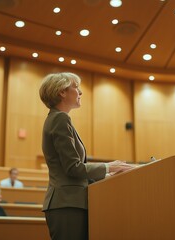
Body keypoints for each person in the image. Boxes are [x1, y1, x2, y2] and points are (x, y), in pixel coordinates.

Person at [39, 72, 134, 240]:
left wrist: (106, 175)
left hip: (69, 203)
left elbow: (73, 170)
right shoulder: (60, 118)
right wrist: (108, 166)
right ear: (62, 92)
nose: (80, 92)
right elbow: (72, 168)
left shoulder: (58, 118)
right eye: (76, 87)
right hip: (67, 203)